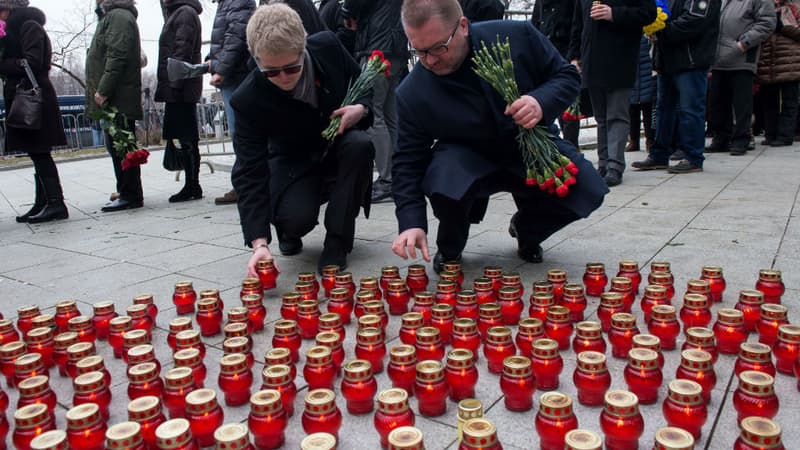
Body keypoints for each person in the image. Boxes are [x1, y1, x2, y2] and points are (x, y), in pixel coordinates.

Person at [391, 0, 608, 273]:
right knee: (443, 177)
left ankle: (528, 229)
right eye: (420, 51)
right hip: (466, 159)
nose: (430, 60)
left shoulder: (516, 37)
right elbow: (407, 161)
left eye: (439, 47)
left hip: (529, 146)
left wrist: (539, 101)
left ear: (463, 27)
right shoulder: (412, 92)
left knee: (589, 188)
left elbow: (566, 76)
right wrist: (411, 222)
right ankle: (450, 247)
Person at [231, 3, 375, 275]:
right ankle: (288, 229)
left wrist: (361, 109)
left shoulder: (329, 47)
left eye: (291, 68)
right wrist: (259, 242)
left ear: (303, 48)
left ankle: (338, 241)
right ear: (257, 59)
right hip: (291, 161)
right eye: (271, 72)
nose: (283, 78)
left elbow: (363, 86)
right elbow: (249, 171)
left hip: (336, 147)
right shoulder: (248, 99)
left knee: (361, 145)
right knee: (296, 218)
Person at [568, 0, 656, 187]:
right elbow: (577, 24)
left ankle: (615, 165)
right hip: (591, 59)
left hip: (619, 59)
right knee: (600, 117)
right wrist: (574, 56)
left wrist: (613, 14)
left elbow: (648, 14)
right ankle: (603, 163)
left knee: (616, 115)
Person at [632, 0, 721, 174]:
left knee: (690, 110)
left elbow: (695, 20)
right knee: (663, 109)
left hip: (690, 60)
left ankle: (693, 157)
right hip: (667, 60)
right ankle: (659, 154)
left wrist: (661, 32)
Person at [0, 0, 68, 223]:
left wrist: (4, 63)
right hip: (26, 97)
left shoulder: (29, 26)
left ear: (10, 9)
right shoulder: (19, 28)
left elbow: (32, 62)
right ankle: (43, 202)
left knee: (40, 151)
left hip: (35, 99)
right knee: (35, 151)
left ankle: (56, 203)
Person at [345, 0, 409, 203]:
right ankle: (399, 175)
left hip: (377, 48)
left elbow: (351, 7)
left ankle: (387, 178)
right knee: (392, 116)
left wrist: (347, 12)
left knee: (374, 114)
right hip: (396, 48)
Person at [86, 0, 144, 212]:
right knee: (117, 145)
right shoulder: (112, 16)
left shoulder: (118, 16)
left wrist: (103, 90)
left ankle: (131, 194)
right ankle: (126, 191)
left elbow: (117, 56)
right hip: (116, 96)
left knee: (122, 145)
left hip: (118, 97)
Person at [705, 0, 775, 155]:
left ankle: (741, 140)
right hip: (717, 60)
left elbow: (767, 23)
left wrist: (744, 43)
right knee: (717, 103)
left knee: (742, 104)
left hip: (742, 59)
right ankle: (720, 139)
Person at [207, 0, 255, 206]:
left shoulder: (237, 2)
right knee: (240, 134)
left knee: (242, 133)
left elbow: (236, 36)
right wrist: (212, 59)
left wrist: (221, 69)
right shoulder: (229, 3)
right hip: (233, 74)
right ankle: (246, 185)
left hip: (236, 75)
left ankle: (248, 186)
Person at [156, 0, 203, 203]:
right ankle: (191, 183)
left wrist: (174, 85)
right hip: (179, 85)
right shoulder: (179, 12)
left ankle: (193, 184)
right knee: (184, 137)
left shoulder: (184, 13)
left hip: (180, 86)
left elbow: (181, 50)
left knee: (187, 137)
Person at [532, 0, 582, 148]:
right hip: (544, 51)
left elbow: (576, 25)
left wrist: (575, 55)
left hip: (564, 51)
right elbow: (535, 24)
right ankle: (551, 147)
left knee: (567, 106)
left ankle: (571, 147)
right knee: (544, 102)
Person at [756, 0, 800, 147]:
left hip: (790, 63)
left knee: (789, 102)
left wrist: (783, 28)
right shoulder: (761, 7)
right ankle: (770, 134)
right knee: (768, 101)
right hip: (767, 61)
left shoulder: (795, 7)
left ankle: (785, 136)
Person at [627, 35, 656, 153]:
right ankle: (633, 140)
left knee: (648, 109)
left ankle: (650, 139)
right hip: (631, 72)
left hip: (647, 71)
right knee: (631, 109)